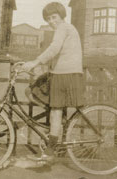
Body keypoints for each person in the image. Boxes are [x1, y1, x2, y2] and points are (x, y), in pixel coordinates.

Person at [22, 2, 85, 163]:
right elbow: (59, 53)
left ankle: (50, 148)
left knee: (54, 110)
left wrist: (35, 62)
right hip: (63, 73)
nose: (51, 21)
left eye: (54, 17)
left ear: (61, 16)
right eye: (48, 18)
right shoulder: (66, 28)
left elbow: (54, 48)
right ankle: (56, 130)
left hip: (66, 75)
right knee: (34, 93)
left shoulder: (63, 28)